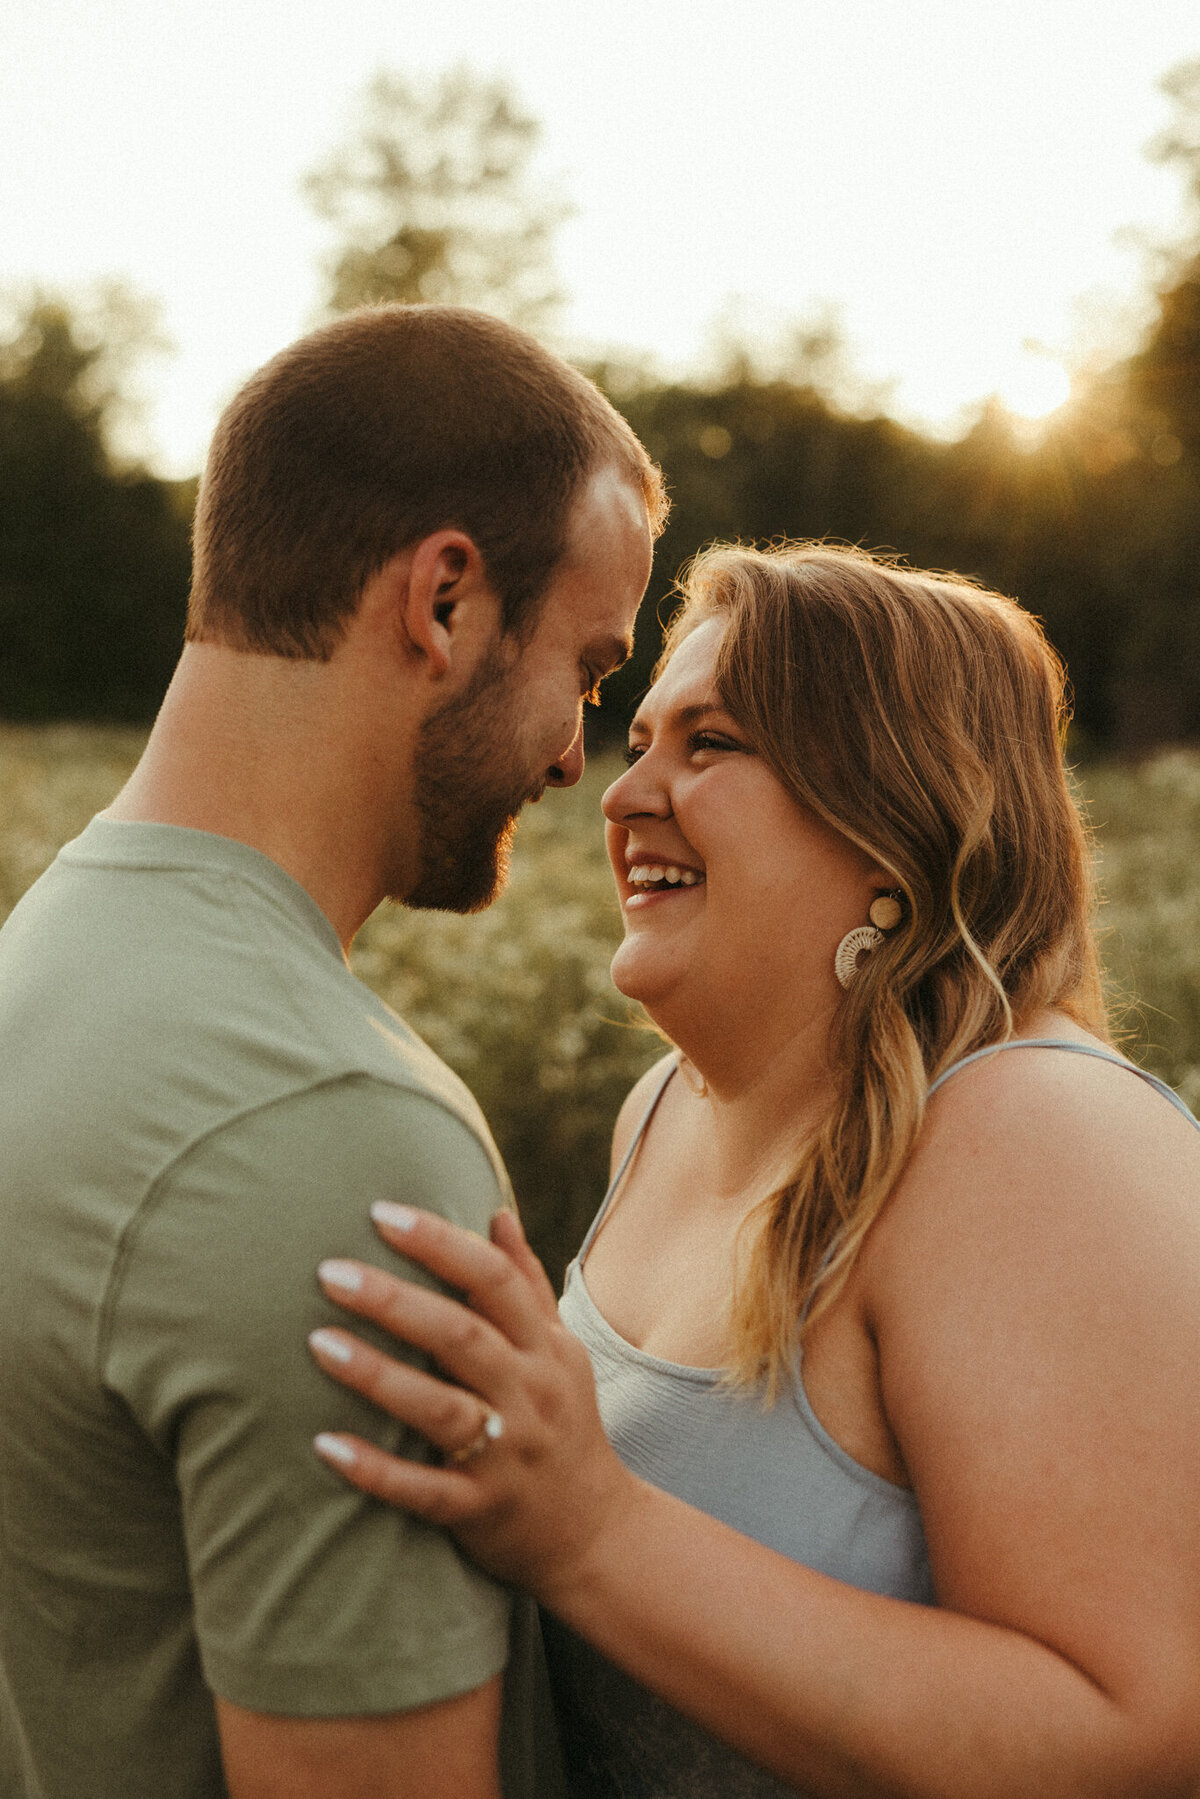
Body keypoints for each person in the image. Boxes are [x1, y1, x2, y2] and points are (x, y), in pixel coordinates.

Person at [307, 542, 1200, 1798]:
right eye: (639, 742)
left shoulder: (1037, 1134)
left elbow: (1136, 1736)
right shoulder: (661, 1111)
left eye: (711, 743)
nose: (624, 797)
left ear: (897, 816)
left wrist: (594, 1532)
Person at [0, 303, 665, 1799]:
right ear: (443, 598)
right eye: (593, 664)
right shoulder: (333, 1123)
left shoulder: (42, 959)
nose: (578, 751)